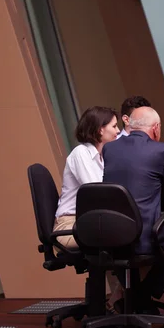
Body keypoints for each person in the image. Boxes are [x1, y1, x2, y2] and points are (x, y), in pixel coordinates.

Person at [103, 107, 164, 311]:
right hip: (145, 235)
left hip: (111, 234)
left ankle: (131, 298)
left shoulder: (110, 149)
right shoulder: (162, 150)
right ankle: (142, 295)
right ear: (156, 128)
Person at [53, 106, 119, 248]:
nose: (118, 131)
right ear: (100, 129)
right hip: (70, 226)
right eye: (114, 126)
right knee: (123, 237)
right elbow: (98, 193)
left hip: (90, 222)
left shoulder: (103, 158)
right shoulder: (81, 153)